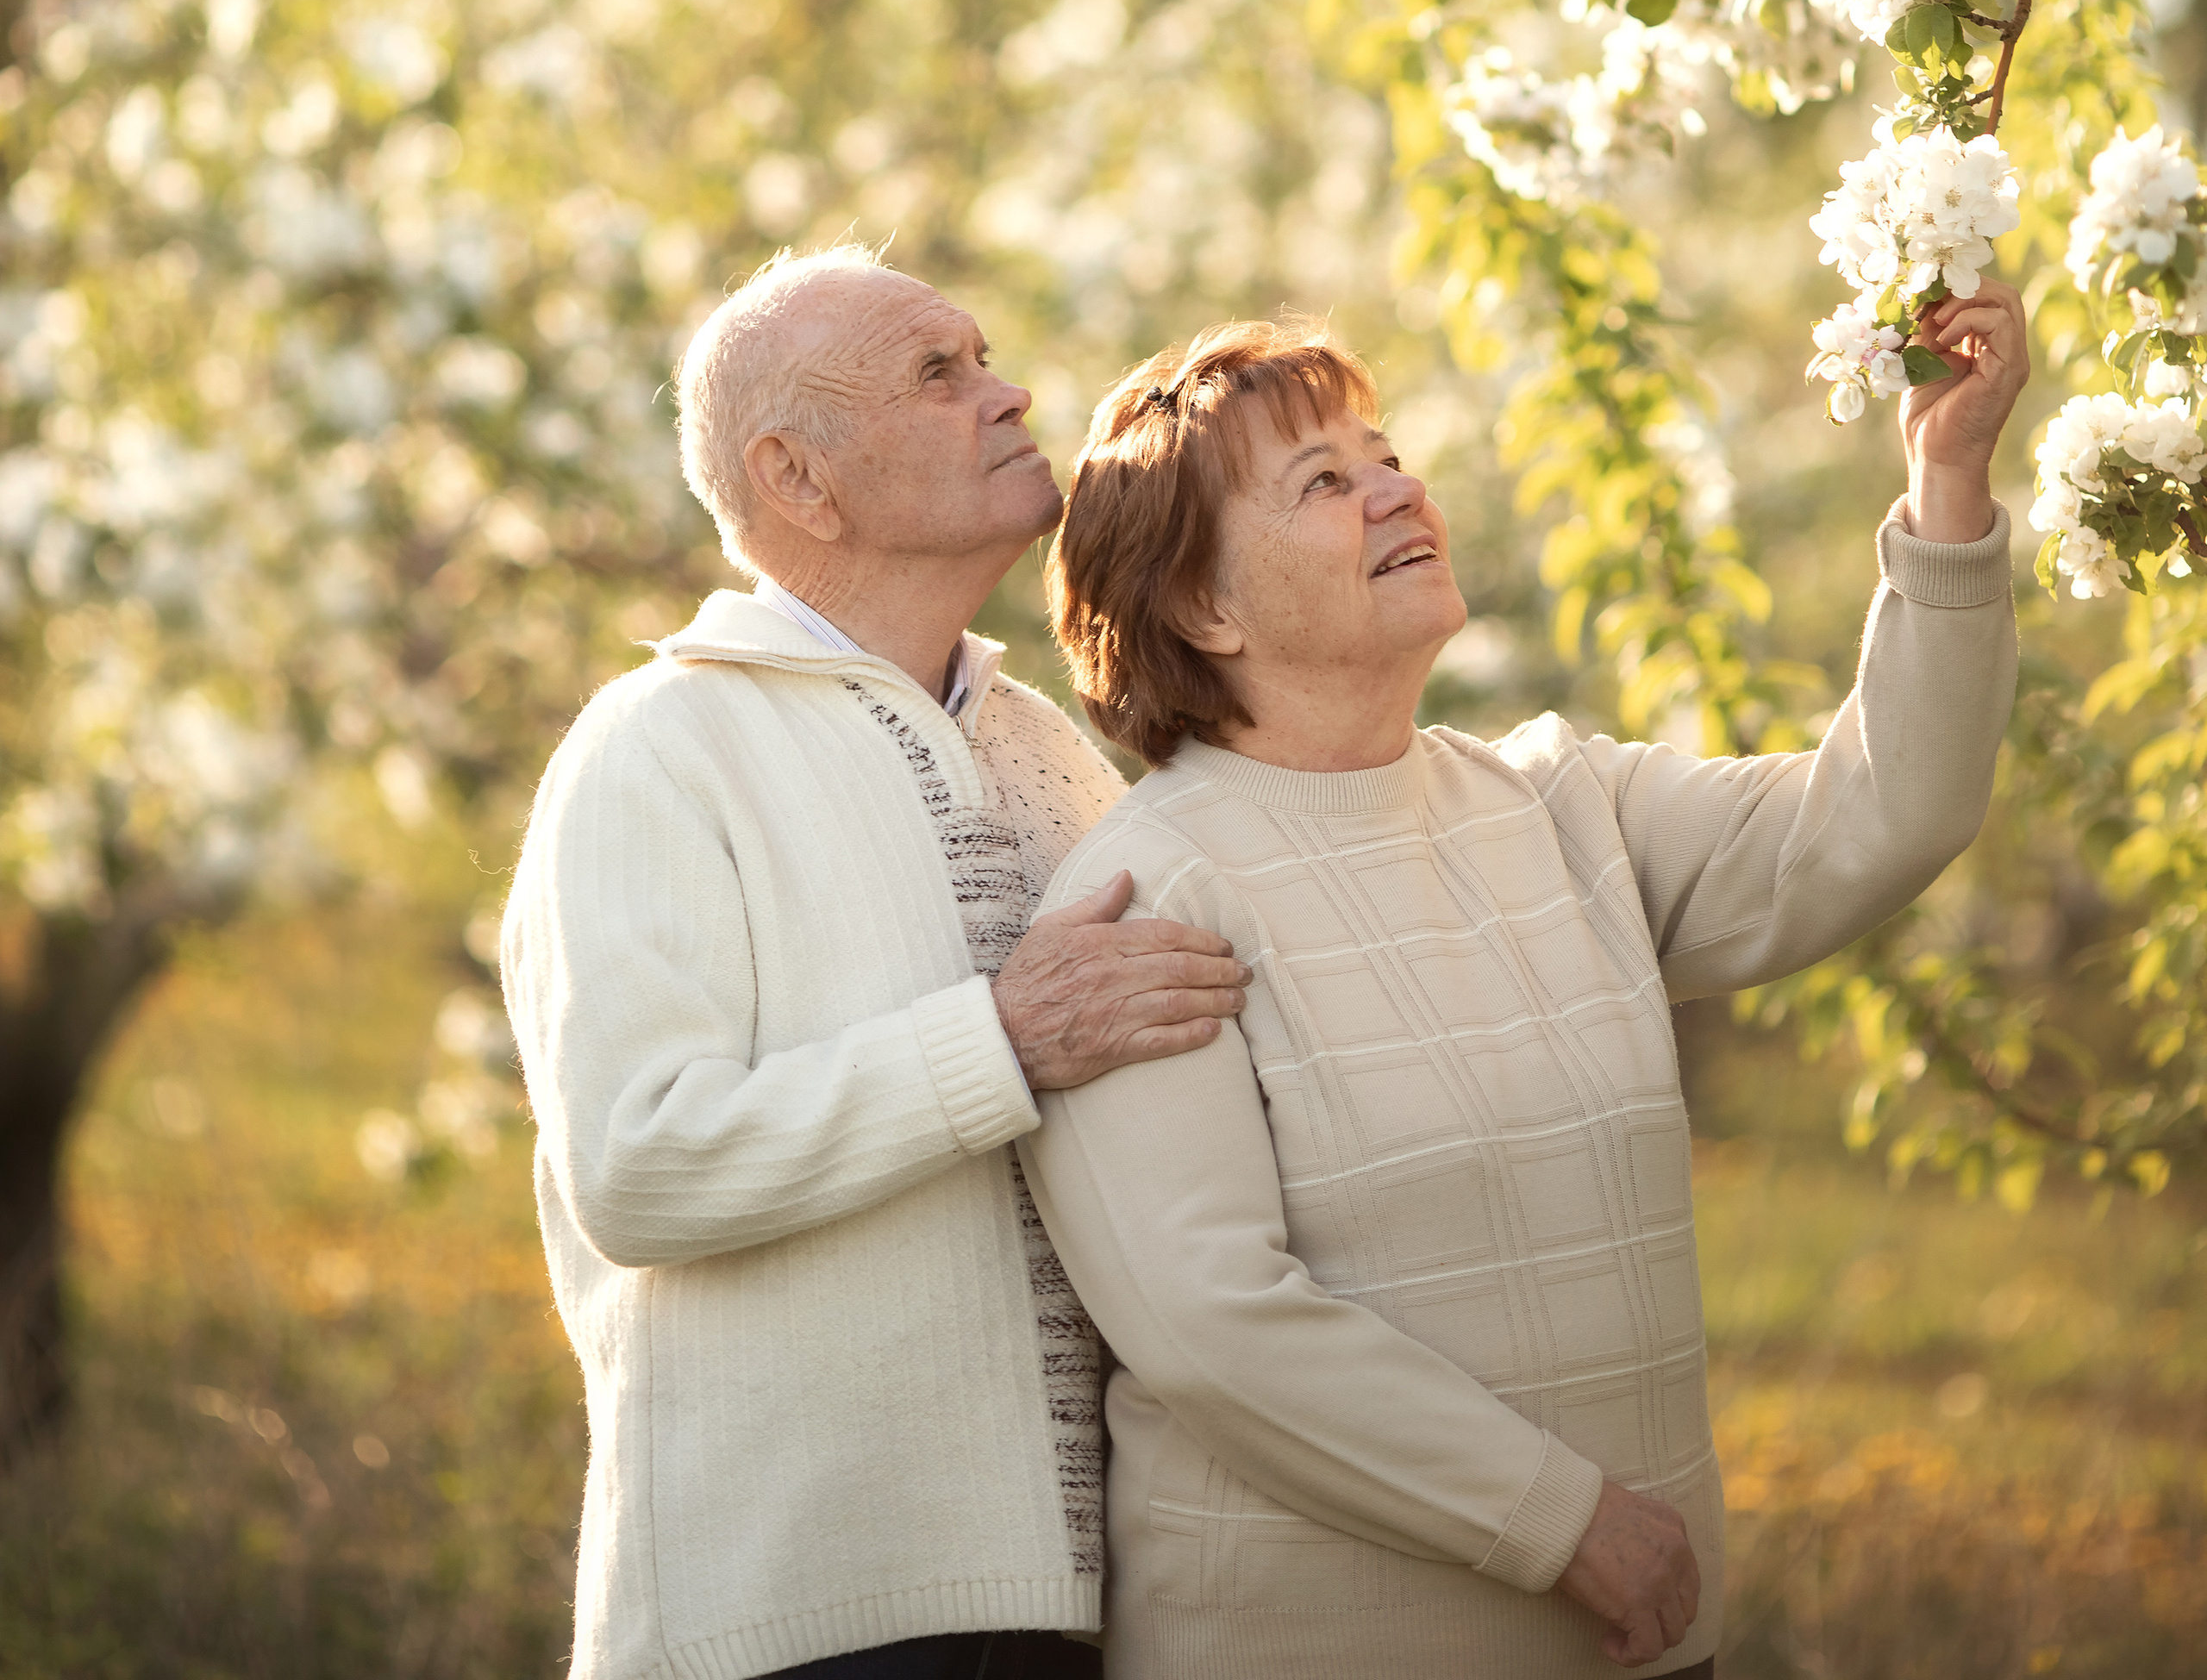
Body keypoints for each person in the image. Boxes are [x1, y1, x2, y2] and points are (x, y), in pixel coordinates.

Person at [1022, 292, 2028, 1680]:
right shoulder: (1144, 894)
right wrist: (1567, 1526)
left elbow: (1888, 813)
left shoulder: (1562, 804)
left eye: (1386, 457)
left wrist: (1947, 480)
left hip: (1649, 1643)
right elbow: (1212, 1325)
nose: (1394, 491)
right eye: (1326, 481)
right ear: (1202, 604)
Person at [501, 247, 1254, 1680]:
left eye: (983, 357)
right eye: (938, 372)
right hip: (795, 1624)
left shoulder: (1047, 747)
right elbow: (639, 1165)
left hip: (1086, 1610)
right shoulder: (655, 746)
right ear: (798, 478)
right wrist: (1004, 1042)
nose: (1011, 392)